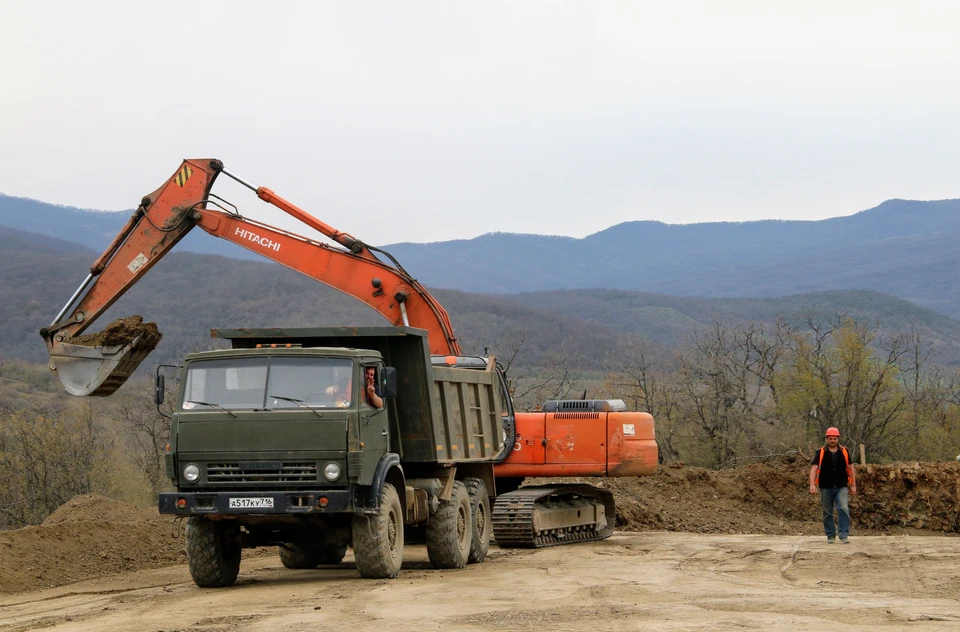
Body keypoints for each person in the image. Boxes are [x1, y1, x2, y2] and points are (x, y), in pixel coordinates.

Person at [809, 427, 857, 543]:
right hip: (826, 487)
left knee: (843, 509)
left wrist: (853, 485)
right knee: (827, 511)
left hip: (841, 486)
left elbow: (851, 468)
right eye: (830, 438)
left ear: (838, 439)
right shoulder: (820, 453)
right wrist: (812, 485)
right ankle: (830, 535)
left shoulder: (844, 452)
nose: (832, 441)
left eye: (834, 438)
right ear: (826, 439)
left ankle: (843, 534)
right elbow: (813, 469)